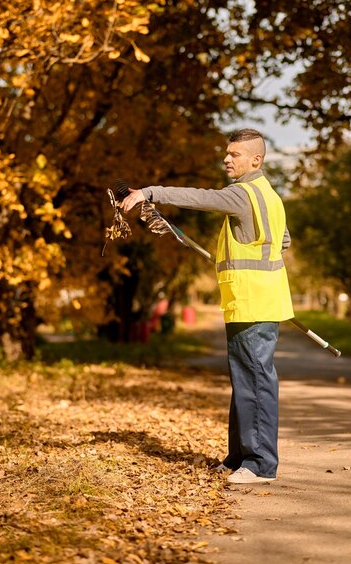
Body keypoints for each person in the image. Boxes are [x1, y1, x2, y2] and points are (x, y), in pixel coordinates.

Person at [121, 128, 294, 483]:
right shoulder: (271, 197)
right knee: (245, 381)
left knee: (256, 381)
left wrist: (149, 192)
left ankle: (261, 465)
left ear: (255, 160)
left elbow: (200, 197)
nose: (226, 160)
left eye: (234, 155)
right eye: (226, 154)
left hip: (252, 301)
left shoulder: (243, 194)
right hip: (254, 300)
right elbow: (283, 241)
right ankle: (240, 457)